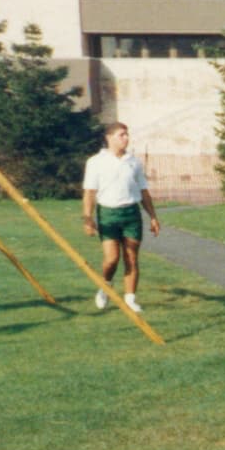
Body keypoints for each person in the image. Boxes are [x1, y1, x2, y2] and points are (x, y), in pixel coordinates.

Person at [80, 122, 160, 313]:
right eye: (121, 135)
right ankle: (105, 286)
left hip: (131, 214)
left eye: (127, 135)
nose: (126, 138)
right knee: (111, 259)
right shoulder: (95, 162)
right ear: (109, 137)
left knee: (131, 258)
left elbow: (143, 191)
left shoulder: (134, 161)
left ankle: (130, 298)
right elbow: (89, 192)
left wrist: (153, 217)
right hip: (108, 213)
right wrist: (88, 218)